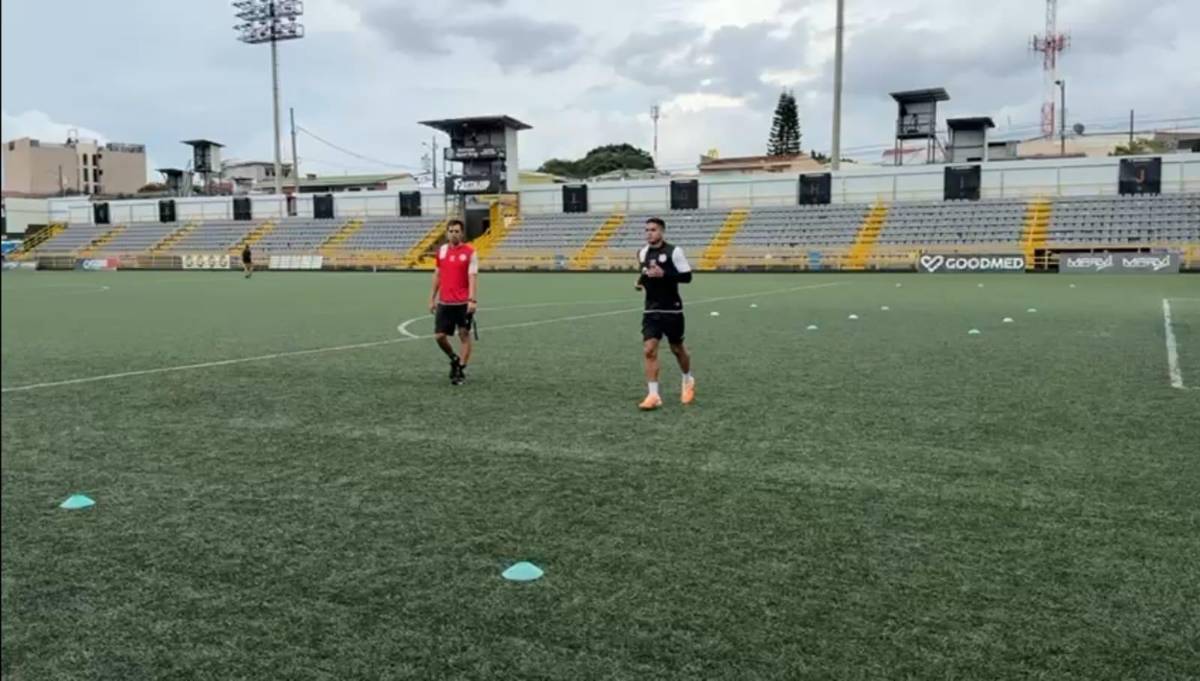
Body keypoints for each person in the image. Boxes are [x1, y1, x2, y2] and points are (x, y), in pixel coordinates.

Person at [634, 217, 694, 410]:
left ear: (661, 232)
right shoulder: (642, 252)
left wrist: (665, 275)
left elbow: (687, 277)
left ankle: (687, 379)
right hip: (651, 308)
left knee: (677, 348)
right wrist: (640, 282)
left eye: (653, 230)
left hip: (672, 307)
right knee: (649, 349)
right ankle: (653, 395)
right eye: (646, 230)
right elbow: (644, 271)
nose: (649, 233)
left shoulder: (674, 251)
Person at [429, 219, 478, 385]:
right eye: (451, 231)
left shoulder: (470, 252)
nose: (453, 234)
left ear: (462, 233)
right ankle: (454, 358)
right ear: (447, 233)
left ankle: (460, 369)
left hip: (463, 302)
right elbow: (437, 275)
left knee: (464, 336)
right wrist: (432, 298)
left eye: (457, 231)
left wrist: (472, 300)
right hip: (445, 302)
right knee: (439, 336)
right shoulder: (441, 251)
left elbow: (472, 277)